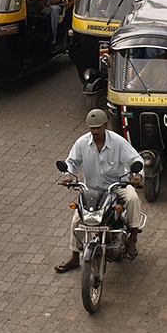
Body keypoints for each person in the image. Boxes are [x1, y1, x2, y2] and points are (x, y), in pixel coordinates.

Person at [54, 109, 144, 273]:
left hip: (117, 187)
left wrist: (137, 175)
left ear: (105, 125)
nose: (95, 132)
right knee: (76, 220)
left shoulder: (118, 142)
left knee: (133, 199)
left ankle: (133, 237)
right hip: (92, 191)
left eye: (98, 128)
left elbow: (136, 159)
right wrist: (68, 175)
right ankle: (74, 257)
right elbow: (71, 162)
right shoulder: (82, 143)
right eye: (92, 128)